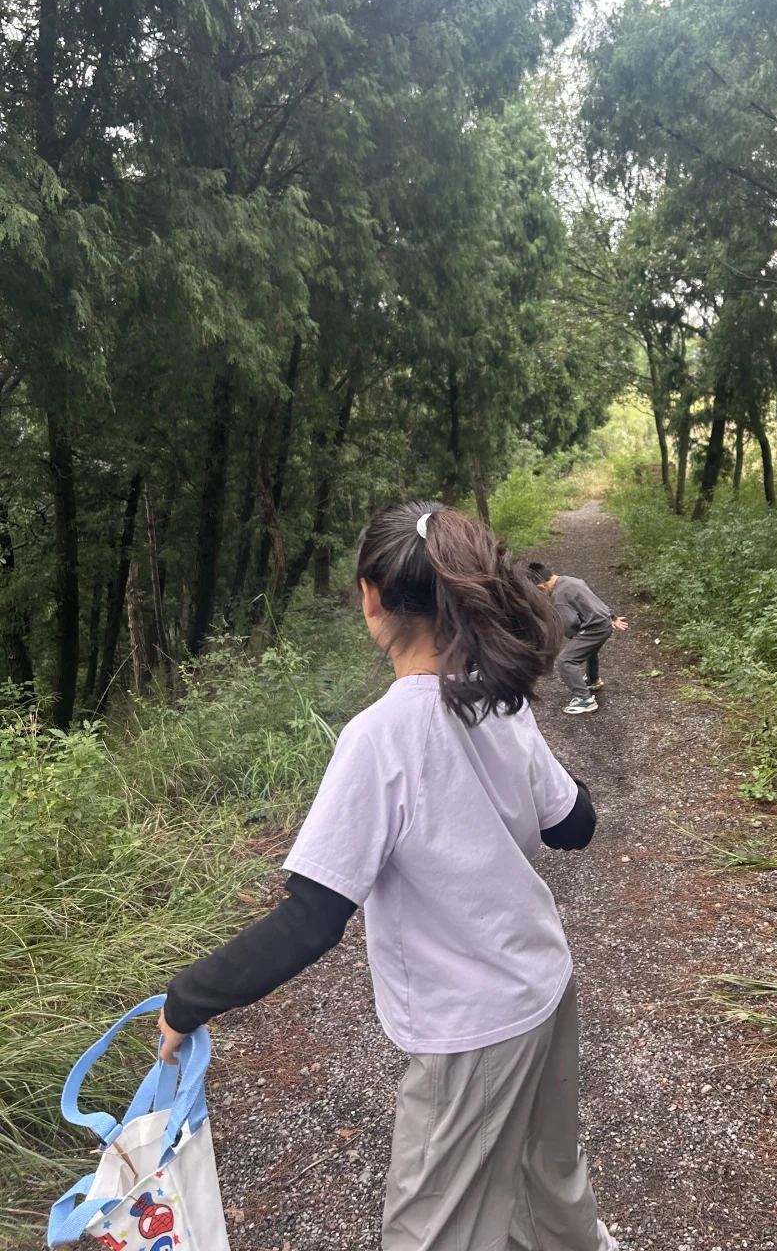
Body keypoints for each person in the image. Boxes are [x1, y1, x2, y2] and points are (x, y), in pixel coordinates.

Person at [157, 501, 618, 1251]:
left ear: (371, 596)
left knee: (430, 1232)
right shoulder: (495, 697)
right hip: (544, 985)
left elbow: (311, 917)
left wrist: (187, 1000)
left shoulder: (379, 737)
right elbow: (577, 825)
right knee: (551, 1186)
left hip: (472, 1030)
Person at [526, 563, 629, 715]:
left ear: (541, 587)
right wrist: (612, 616)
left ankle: (585, 700)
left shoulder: (559, 595)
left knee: (565, 661)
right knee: (590, 651)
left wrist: (575, 637)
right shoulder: (571, 580)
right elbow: (594, 600)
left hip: (595, 628)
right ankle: (593, 680)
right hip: (604, 623)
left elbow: (570, 623)